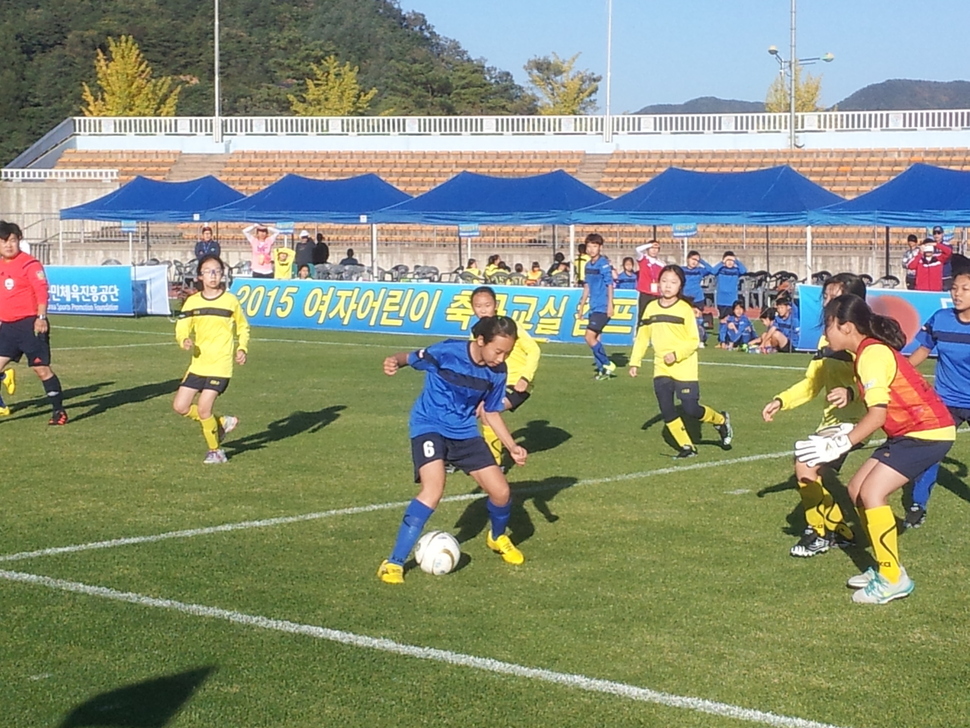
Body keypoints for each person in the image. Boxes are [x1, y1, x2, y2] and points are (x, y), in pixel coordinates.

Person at [795, 294, 954, 604]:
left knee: (872, 494)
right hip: (909, 433)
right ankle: (885, 567)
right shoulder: (867, 353)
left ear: (847, 326)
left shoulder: (870, 354)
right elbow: (883, 386)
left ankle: (893, 578)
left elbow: (877, 415)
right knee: (856, 490)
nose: (824, 333)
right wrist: (852, 392)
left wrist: (839, 443)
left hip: (927, 432)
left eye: (828, 326)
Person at [377, 316, 528, 585]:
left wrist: (512, 446)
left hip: (465, 432)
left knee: (502, 491)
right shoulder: (446, 352)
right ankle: (393, 562)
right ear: (480, 340)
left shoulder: (497, 371)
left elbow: (490, 412)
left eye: (507, 352)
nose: (501, 357)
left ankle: (496, 537)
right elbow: (411, 357)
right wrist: (395, 361)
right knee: (433, 490)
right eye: (498, 350)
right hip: (429, 425)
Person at [762, 273, 867, 558]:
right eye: (825, 296)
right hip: (831, 423)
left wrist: (851, 392)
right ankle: (839, 531)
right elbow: (812, 383)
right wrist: (781, 400)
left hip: (857, 421)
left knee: (805, 464)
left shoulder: (866, 338)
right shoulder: (826, 338)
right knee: (813, 470)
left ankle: (817, 533)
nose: (828, 302)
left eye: (835, 296)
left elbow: (879, 382)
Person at [629, 265, 732, 458]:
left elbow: (694, 340)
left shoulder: (685, 309)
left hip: (684, 366)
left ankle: (720, 420)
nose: (668, 286)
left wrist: (676, 355)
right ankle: (687, 447)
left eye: (673, 282)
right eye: (664, 281)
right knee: (667, 409)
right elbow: (643, 336)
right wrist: (635, 362)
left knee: (691, 409)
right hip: (661, 367)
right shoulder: (650, 308)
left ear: (680, 286)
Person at [904, 270, 970, 528]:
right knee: (931, 453)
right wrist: (900, 376)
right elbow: (922, 350)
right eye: (954, 288)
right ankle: (917, 505)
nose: (957, 294)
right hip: (945, 402)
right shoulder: (941, 319)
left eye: (965, 289)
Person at [172, 255, 250, 464]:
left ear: (222, 274)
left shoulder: (230, 301)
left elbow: (242, 326)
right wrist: (184, 339)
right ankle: (221, 422)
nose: (213, 275)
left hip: (220, 365)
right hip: (198, 364)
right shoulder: (193, 302)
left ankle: (216, 451)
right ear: (200, 276)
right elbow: (182, 327)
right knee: (180, 407)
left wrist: (242, 347)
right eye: (208, 271)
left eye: (217, 270)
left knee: (204, 407)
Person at [0, 220, 68, 425]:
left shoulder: (30, 263)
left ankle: (59, 411)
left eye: (12, 240)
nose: (8, 245)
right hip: (8, 327)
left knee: (41, 370)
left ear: (19, 240)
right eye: (3, 242)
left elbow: (41, 291)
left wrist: (41, 317)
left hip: (30, 325)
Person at [469, 287, 541, 468]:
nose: (483, 310)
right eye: (478, 306)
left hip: (515, 383)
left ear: (496, 305)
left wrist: (525, 377)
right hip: (490, 384)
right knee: (461, 410)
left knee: (487, 412)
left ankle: (494, 463)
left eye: (487, 305)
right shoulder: (476, 331)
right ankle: (452, 457)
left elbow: (534, 349)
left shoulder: (508, 326)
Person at [575, 233, 616, 380]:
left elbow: (610, 284)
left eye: (595, 246)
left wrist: (610, 304)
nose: (591, 249)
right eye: (589, 246)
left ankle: (607, 363)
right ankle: (602, 371)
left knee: (589, 337)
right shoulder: (587, 265)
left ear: (600, 247)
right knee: (596, 338)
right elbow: (587, 287)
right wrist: (581, 306)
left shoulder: (603, 263)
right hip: (593, 307)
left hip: (603, 306)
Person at [710, 251, 748, 320]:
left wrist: (736, 261)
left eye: (732, 260)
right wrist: (722, 262)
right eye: (728, 260)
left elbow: (744, 271)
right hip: (721, 300)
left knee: (733, 320)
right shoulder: (720, 270)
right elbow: (713, 271)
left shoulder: (736, 270)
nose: (730, 262)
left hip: (732, 300)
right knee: (723, 320)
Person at [634, 239, 664, 324]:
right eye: (652, 248)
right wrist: (650, 244)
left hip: (656, 293)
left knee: (655, 316)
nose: (654, 250)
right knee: (642, 315)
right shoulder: (643, 258)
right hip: (645, 292)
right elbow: (637, 249)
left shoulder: (661, 264)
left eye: (656, 248)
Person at [931, 225, 954, 290]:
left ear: (942, 234)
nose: (936, 235)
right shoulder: (930, 246)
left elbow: (947, 257)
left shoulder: (947, 245)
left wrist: (936, 258)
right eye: (934, 233)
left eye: (938, 233)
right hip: (934, 276)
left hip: (945, 275)